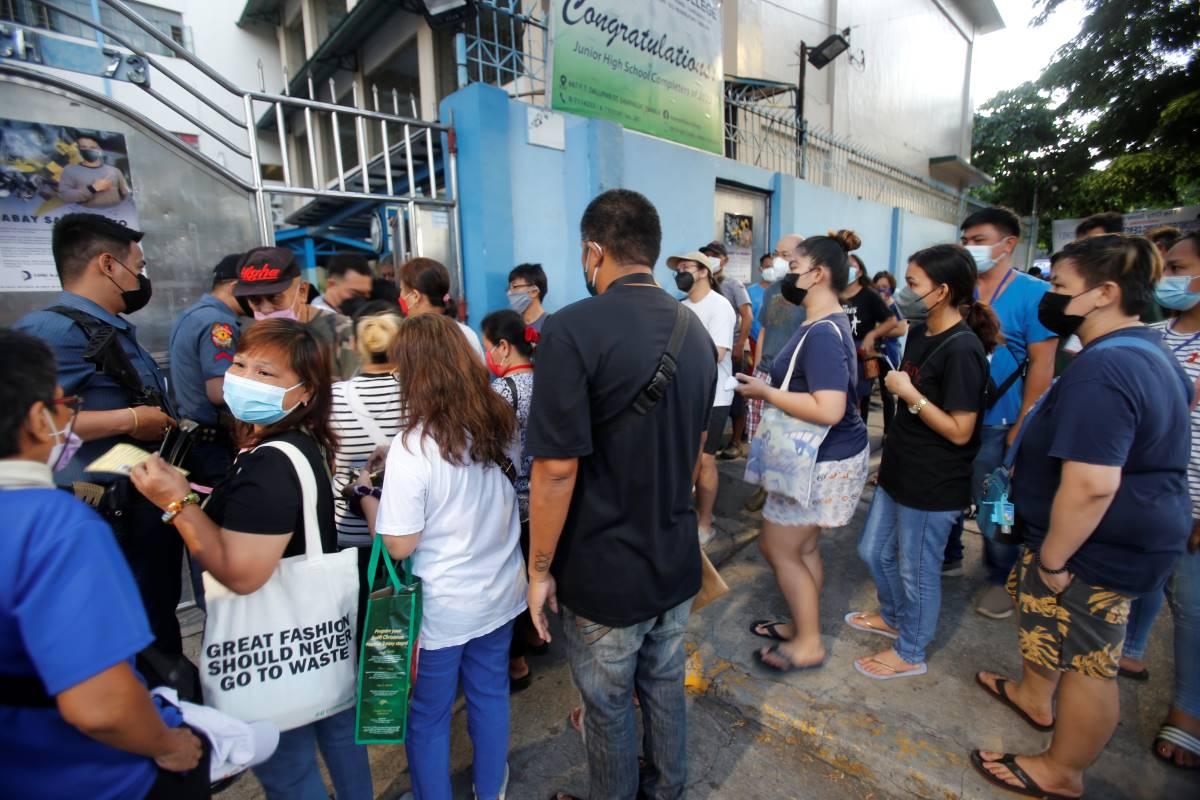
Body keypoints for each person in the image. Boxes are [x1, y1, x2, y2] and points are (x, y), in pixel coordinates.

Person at [971, 234, 1192, 800]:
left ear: (1104, 294)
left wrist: (1055, 556)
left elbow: (1093, 484)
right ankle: (1032, 695)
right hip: (1087, 535)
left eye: (1062, 288)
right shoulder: (1138, 348)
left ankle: (1061, 770)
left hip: (1095, 545)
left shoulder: (1107, 366)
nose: (1052, 297)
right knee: (1046, 624)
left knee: (1089, 661)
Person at [128, 319, 372, 800]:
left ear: (303, 394)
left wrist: (177, 504)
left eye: (267, 373)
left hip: (274, 649)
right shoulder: (299, 443)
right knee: (341, 737)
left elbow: (242, 573)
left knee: (290, 770)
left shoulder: (271, 460)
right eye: (240, 364)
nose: (244, 378)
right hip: (320, 636)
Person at [526, 189, 717, 800]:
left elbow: (555, 471)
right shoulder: (695, 330)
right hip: (673, 555)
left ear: (593, 252)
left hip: (606, 570)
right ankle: (667, 790)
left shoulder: (570, 329)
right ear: (656, 256)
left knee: (608, 706)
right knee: (662, 683)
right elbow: (693, 454)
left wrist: (538, 570)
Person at [0, 328, 206, 800]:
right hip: (85, 778)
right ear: (37, 418)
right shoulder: (55, 527)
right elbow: (103, 707)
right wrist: (168, 743)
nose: (67, 415)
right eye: (62, 404)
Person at [364, 313, 526, 800]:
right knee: (490, 694)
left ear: (414, 373)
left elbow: (398, 544)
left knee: (429, 715)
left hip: (441, 610)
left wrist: (366, 495)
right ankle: (490, 788)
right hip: (500, 590)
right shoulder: (500, 422)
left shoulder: (414, 449)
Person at [15, 213, 182, 660]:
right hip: (104, 508)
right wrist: (129, 420)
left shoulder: (106, 329)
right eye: (139, 267)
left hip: (137, 504)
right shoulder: (54, 331)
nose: (142, 278)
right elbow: (22, 420)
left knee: (154, 618)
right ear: (109, 265)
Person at [849, 245, 996, 679]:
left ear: (942, 290)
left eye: (912, 284)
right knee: (873, 551)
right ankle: (893, 616)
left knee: (917, 570)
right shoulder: (918, 331)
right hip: (901, 470)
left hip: (934, 482)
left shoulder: (963, 348)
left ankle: (911, 650)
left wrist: (909, 395)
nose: (903, 293)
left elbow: (959, 430)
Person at [737, 231, 871, 672]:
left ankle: (809, 642)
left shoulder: (822, 333)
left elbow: (829, 408)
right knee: (805, 548)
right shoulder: (823, 324)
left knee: (778, 547)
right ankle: (803, 625)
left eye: (792, 266)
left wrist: (765, 392)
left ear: (818, 274)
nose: (783, 273)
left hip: (818, 460)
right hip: (825, 457)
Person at [943, 207, 1058, 623]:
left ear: (1008, 243)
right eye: (966, 239)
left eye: (979, 239)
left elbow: (1042, 365)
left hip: (999, 421)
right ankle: (949, 555)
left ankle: (1000, 575)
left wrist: (1024, 424)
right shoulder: (956, 288)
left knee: (996, 501)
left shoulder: (1033, 294)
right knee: (946, 490)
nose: (969, 247)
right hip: (949, 414)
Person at [1117, 231, 1200, 768]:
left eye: (1178, 267)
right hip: (1141, 491)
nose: (1166, 278)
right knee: (1141, 582)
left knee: (1191, 607)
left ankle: (1189, 711)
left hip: (1194, 498)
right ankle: (1131, 650)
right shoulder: (1152, 336)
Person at [479, 308, 545, 694]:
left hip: (512, 505)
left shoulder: (501, 392)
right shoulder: (548, 382)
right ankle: (539, 637)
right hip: (548, 499)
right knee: (540, 571)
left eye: (489, 347)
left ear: (503, 347)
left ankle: (516, 662)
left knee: (515, 581)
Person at [669, 249, 737, 544]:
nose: (680, 272)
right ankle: (684, 512)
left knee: (705, 459)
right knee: (684, 457)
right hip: (682, 394)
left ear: (704, 272)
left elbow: (717, 353)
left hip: (714, 396)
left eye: (686, 267)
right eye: (678, 268)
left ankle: (705, 521)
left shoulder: (719, 307)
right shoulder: (679, 307)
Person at [330, 302, 404, 551]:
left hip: (348, 531)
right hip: (406, 528)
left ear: (354, 345)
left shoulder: (333, 397)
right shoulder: (418, 394)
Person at [744, 235, 808, 513]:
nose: (778, 258)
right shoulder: (772, 290)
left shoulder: (810, 291)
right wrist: (757, 369)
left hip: (792, 377)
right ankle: (764, 484)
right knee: (760, 436)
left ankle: (778, 493)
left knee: (785, 439)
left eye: (785, 253)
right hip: (765, 372)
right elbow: (766, 329)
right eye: (777, 253)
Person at [167, 253, 243, 485]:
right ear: (235, 286)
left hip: (193, 438)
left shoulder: (194, 314)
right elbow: (219, 391)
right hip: (212, 445)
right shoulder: (219, 323)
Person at [233, 246, 359, 380]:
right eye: (255, 300)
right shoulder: (250, 335)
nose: (265, 309)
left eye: (274, 298)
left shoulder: (342, 331)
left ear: (302, 292)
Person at [838, 241, 901, 426]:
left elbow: (892, 321)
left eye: (851, 266)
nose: (847, 269)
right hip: (839, 350)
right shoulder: (835, 294)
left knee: (861, 398)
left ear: (859, 271)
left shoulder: (869, 295)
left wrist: (871, 335)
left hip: (863, 355)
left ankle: (859, 433)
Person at [702, 240, 754, 459]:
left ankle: (736, 441)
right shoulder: (704, 283)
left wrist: (740, 344)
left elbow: (747, 315)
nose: (711, 258)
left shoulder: (733, 284)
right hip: (712, 352)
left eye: (715, 254)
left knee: (735, 395)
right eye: (707, 255)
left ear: (725, 259)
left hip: (733, 350)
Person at [398, 257, 484, 357]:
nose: (400, 295)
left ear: (415, 296)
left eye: (402, 290)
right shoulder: (467, 334)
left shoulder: (409, 339)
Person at [872, 269, 907, 435]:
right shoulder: (872, 304)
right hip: (871, 355)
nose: (881, 290)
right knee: (865, 393)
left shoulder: (894, 306)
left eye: (885, 287)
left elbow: (901, 329)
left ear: (891, 288)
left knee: (888, 394)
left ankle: (889, 432)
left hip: (888, 355)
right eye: (878, 287)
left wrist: (878, 331)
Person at [56, 135, 131, 209]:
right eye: (83, 147)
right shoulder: (70, 170)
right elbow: (65, 196)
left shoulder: (115, 171)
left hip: (116, 216)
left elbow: (126, 194)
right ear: (78, 149)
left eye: (93, 147)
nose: (88, 150)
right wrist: (93, 188)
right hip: (87, 217)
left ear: (100, 150)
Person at [507, 262, 551, 333]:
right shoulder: (511, 326)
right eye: (509, 288)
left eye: (514, 287)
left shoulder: (551, 325)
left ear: (534, 291)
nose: (509, 293)